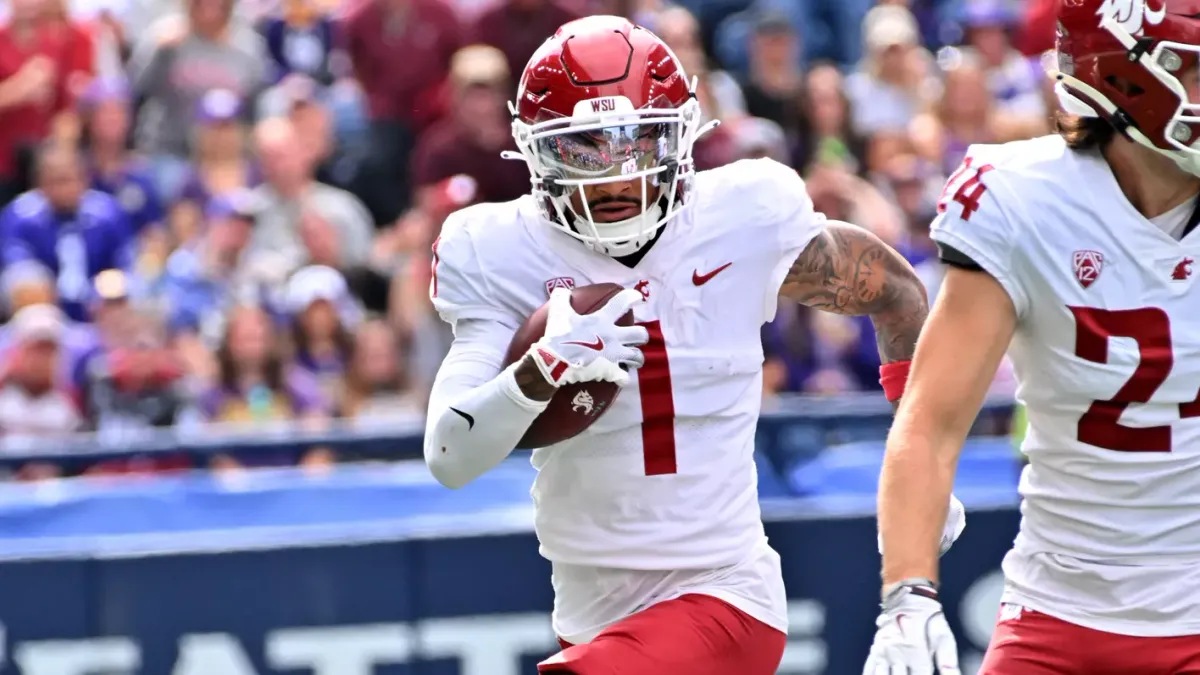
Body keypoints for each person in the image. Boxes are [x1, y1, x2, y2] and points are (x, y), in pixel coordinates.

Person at [423, 16, 963, 675]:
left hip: (724, 595)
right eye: (585, 149)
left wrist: (925, 457)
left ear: (680, 136)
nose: (618, 175)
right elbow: (449, 454)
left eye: (638, 143)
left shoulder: (743, 214)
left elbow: (898, 291)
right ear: (536, 153)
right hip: (591, 615)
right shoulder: (499, 248)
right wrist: (542, 369)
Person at [866, 2, 1200, 674]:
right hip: (1059, 610)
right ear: (1123, 79)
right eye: (1192, 69)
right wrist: (907, 595)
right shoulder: (1024, 200)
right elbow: (930, 422)